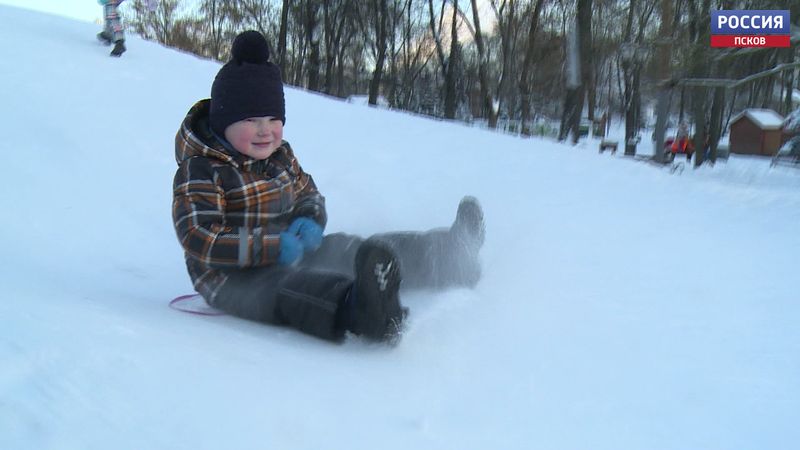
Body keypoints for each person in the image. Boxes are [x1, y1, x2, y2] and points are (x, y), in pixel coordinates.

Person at [172, 31, 485, 344]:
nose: (265, 131)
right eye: (252, 120)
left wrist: (310, 217)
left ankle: (448, 255)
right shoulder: (201, 169)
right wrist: (269, 246)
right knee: (290, 288)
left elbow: (308, 193)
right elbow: (199, 237)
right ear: (223, 122)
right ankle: (363, 309)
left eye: (272, 118)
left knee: (352, 249)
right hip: (233, 277)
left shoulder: (280, 156)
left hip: (292, 246)